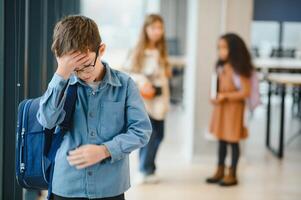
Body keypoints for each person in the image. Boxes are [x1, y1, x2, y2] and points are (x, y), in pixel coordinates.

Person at [37, 15, 152, 199]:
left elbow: (141, 131)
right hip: (66, 186)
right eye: (74, 68)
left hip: (110, 187)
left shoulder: (125, 85)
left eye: (86, 65)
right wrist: (61, 74)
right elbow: (46, 120)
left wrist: (105, 150)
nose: (81, 73)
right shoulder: (63, 83)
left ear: (102, 50)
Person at [123, 14, 171, 184]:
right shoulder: (138, 50)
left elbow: (163, 73)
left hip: (160, 100)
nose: (157, 32)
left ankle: (150, 168)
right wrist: (144, 83)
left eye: (160, 28)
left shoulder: (162, 49)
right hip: (146, 101)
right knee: (149, 136)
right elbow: (128, 73)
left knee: (160, 135)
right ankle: (144, 169)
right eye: (153, 28)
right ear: (146, 29)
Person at [206, 33, 253, 186]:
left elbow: (245, 92)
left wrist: (225, 96)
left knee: (233, 142)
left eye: (224, 48)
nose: (221, 51)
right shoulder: (221, 66)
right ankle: (220, 170)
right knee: (221, 141)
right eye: (219, 48)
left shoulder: (239, 69)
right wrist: (214, 96)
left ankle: (232, 173)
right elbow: (218, 87)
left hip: (234, 111)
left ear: (234, 49)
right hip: (221, 110)